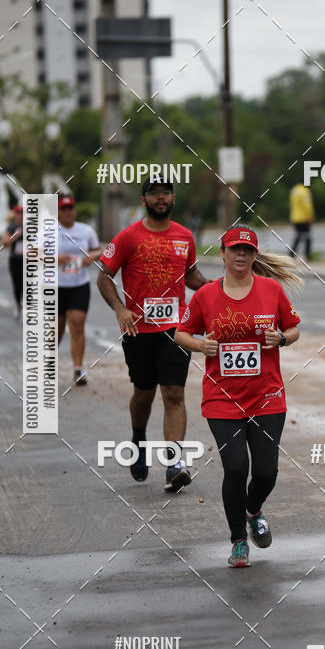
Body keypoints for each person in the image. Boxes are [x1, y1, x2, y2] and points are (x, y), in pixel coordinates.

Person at [175, 225, 302, 567]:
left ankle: (253, 509)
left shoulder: (271, 290)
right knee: (235, 467)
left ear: (255, 255)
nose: (241, 255)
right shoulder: (205, 296)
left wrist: (282, 338)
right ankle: (238, 542)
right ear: (223, 253)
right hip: (222, 399)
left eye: (247, 250)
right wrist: (201, 344)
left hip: (267, 396)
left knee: (265, 472)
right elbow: (181, 333)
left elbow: (294, 328)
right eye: (235, 249)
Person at [97, 178, 211, 491]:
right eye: (153, 193)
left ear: (173, 197)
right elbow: (103, 277)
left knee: (174, 393)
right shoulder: (128, 236)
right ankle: (138, 437)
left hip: (176, 330)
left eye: (165, 193)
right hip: (138, 330)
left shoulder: (185, 236)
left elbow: (190, 275)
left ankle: (175, 464)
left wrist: (213, 288)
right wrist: (120, 310)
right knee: (144, 393)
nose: (160, 198)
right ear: (144, 199)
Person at [57, 196, 102, 386]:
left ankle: (78, 369)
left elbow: (99, 251)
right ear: (58, 212)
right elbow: (33, 253)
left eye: (71, 208)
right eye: (64, 208)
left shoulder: (86, 230)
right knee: (54, 331)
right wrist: (53, 258)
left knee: (77, 325)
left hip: (79, 285)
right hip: (54, 287)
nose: (68, 212)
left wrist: (90, 257)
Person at [2, 204, 24, 318]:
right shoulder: (11, 226)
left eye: (22, 213)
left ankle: (29, 307)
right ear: (15, 214)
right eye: (18, 213)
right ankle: (18, 305)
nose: (20, 215)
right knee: (17, 285)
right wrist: (15, 236)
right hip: (15, 259)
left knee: (27, 284)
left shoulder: (31, 226)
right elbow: (5, 242)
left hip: (28, 260)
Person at [289, 182, 315, 260]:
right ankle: (308, 255)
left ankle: (291, 254)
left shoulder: (294, 190)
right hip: (303, 217)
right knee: (307, 236)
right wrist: (311, 216)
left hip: (295, 217)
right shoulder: (304, 191)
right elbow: (307, 205)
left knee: (298, 235)